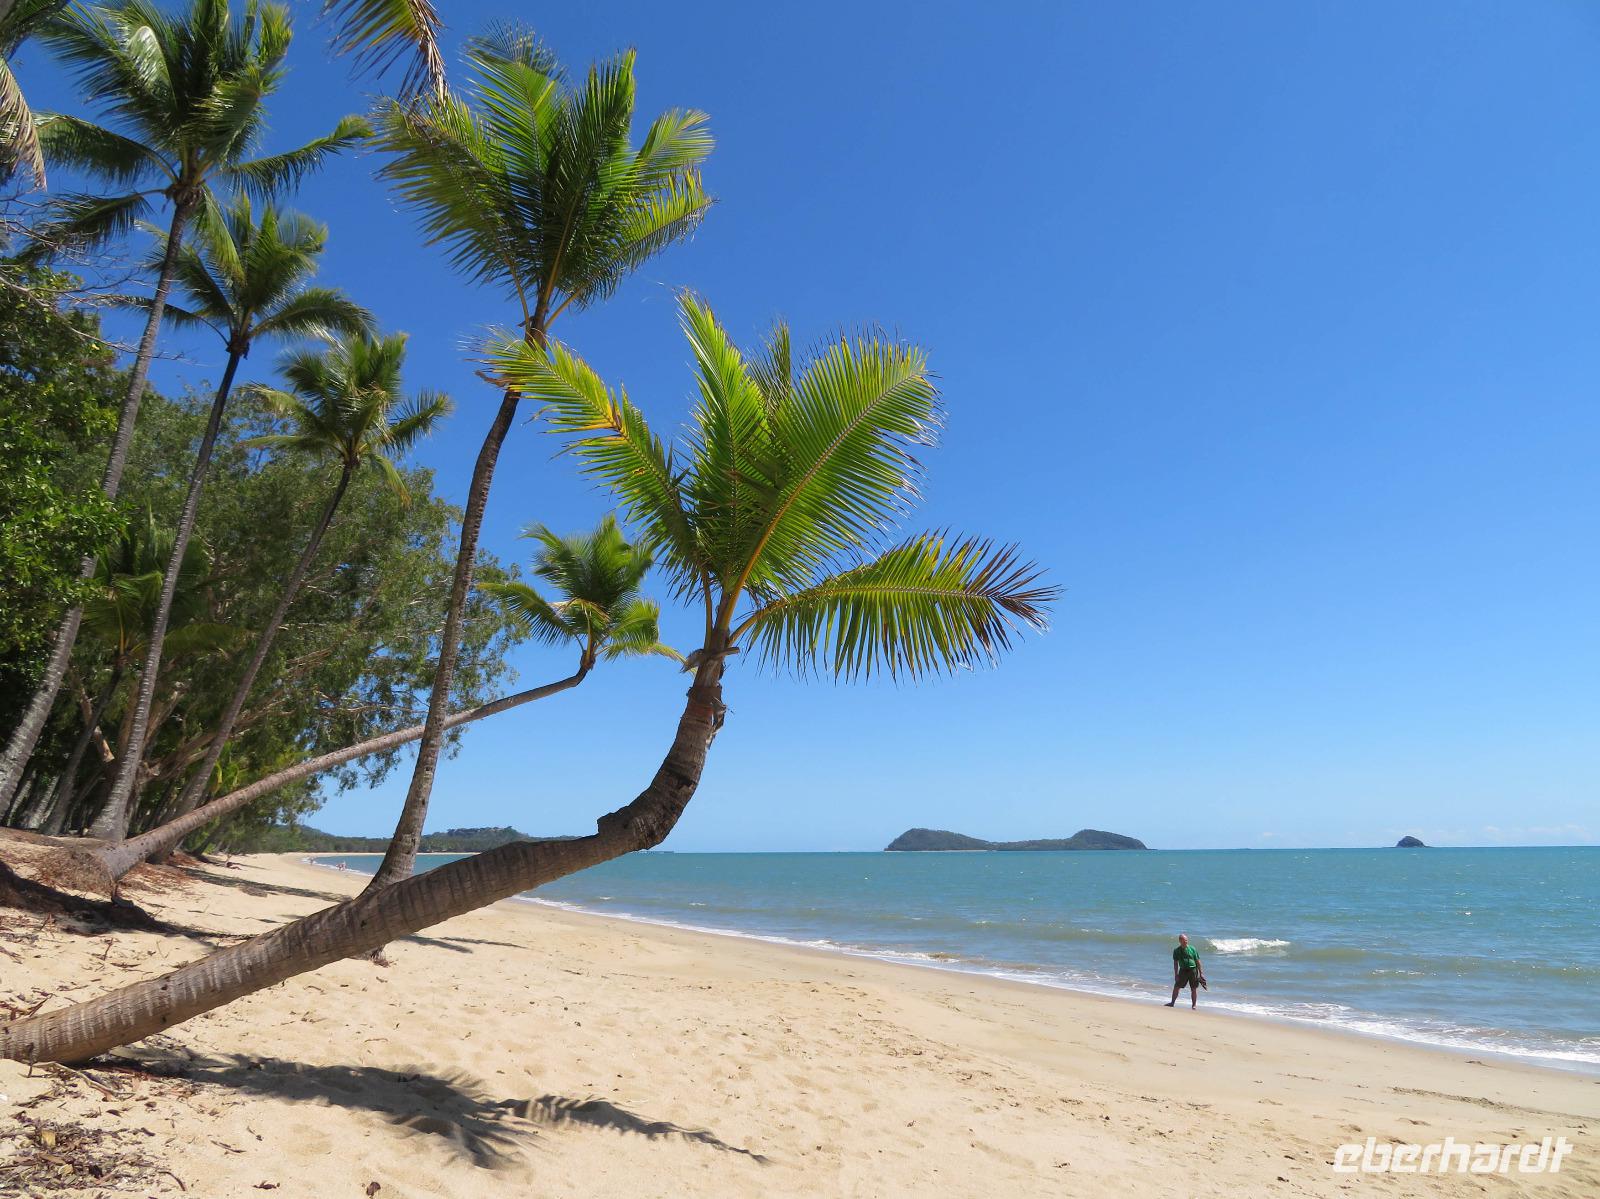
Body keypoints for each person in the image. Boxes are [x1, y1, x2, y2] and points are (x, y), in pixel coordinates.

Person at [1166, 933, 1205, 1008]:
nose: (1186, 942)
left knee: (1193, 989)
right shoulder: (1176, 950)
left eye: (1186, 940)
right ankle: (1172, 1003)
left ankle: (1194, 1005)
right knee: (1176, 987)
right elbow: (1175, 963)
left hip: (1193, 970)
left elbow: (1198, 961)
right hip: (1183, 971)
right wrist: (1176, 974)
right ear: (1180, 941)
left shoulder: (1192, 948)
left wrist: (1201, 973)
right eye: (1184, 940)